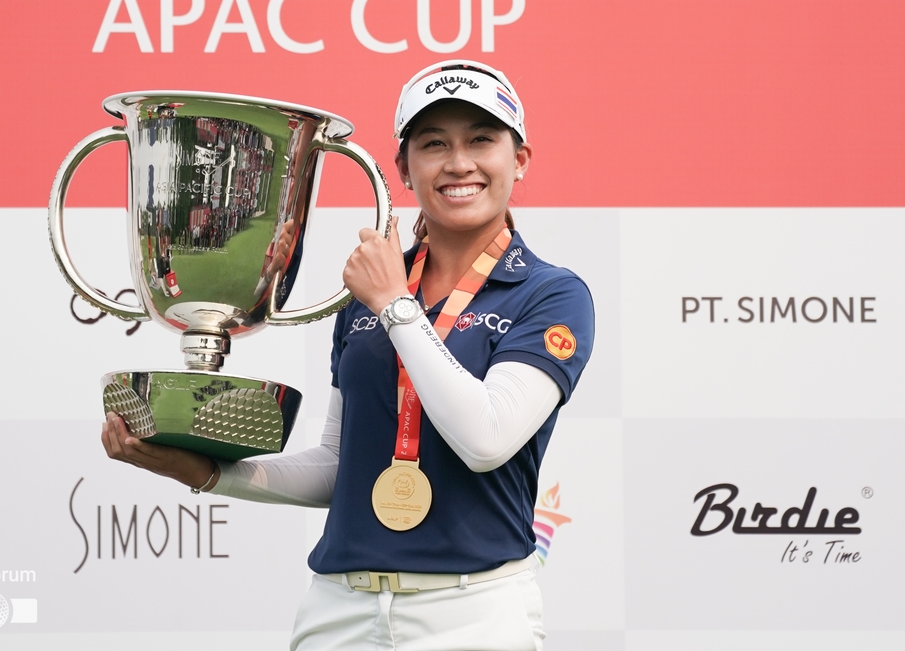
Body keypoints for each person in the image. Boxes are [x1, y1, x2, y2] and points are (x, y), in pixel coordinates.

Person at [101, 60, 595, 651]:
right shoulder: (366, 294)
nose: (459, 163)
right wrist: (207, 472)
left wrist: (395, 305)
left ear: (520, 160)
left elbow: (486, 439)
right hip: (340, 607)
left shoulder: (551, 293)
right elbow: (339, 465)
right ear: (403, 169)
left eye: (481, 140)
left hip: (474, 611)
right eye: (433, 144)